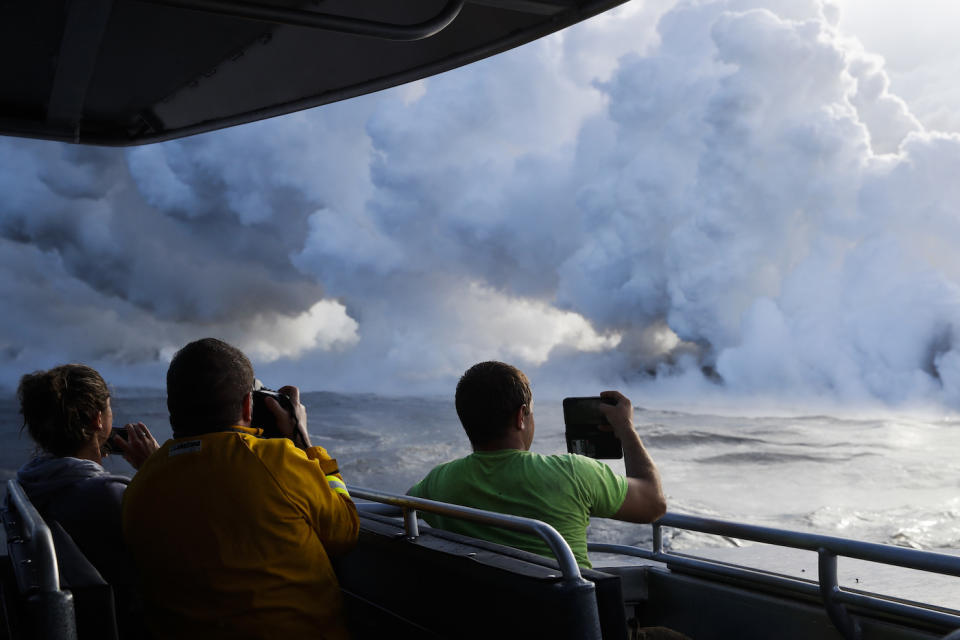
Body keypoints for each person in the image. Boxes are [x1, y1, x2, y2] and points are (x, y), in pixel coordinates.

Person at [122, 338, 358, 640]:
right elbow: (345, 532)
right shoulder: (278, 461)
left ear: (172, 407)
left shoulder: (141, 486)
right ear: (249, 404)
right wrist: (303, 441)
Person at [408, 361, 666, 568]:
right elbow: (653, 504)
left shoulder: (438, 483)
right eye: (530, 412)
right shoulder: (573, 472)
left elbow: (391, 512)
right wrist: (625, 428)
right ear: (521, 417)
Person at [15, 364, 159, 584]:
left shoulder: (28, 483)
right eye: (109, 408)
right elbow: (178, 545)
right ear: (97, 420)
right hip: (122, 613)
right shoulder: (108, 495)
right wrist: (154, 468)